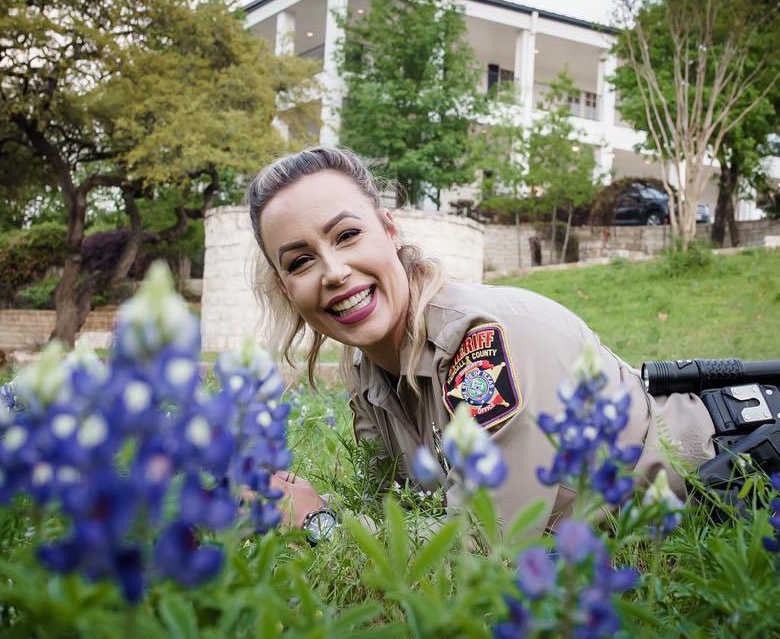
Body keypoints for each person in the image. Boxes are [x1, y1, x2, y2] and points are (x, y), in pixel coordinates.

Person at [246, 146, 717, 535]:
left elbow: (486, 548)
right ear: (285, 285)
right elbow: (401, 509)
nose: (333, 272)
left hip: (733, 480)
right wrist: (294, 502)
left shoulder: (485, 341)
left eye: (347, 235)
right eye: (300, 261)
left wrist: (318, 525)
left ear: (389, 230)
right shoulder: (366, 370)